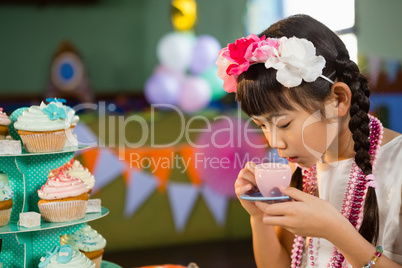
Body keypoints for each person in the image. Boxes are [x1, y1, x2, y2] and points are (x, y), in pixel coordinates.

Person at [216, 14, 402, 268]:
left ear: (337, 100)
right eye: (262, 126)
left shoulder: (397, 165)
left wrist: (336, 231)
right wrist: (260, 219)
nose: (274, 142)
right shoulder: (304, 169)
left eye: (284, 124)